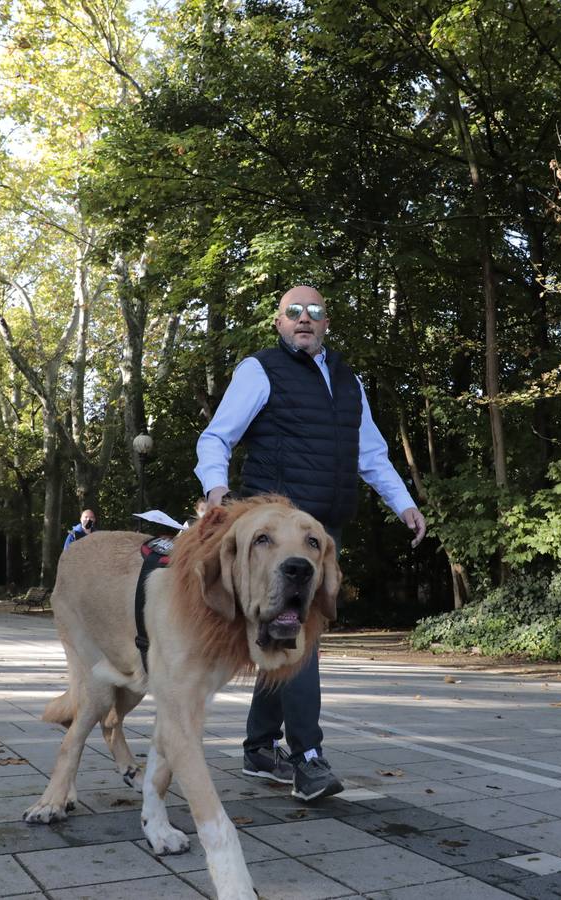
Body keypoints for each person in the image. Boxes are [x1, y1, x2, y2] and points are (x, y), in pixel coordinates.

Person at [196, 284, 426, 802]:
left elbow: (371, 454)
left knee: (289, 634)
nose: (305, 318)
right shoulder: (259, 370)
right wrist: (216, 489)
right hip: (275, 535)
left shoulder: (348, 381)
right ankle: (307, 758)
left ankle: (259, 747)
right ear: (278, 322)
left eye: (315, 311)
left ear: (326, 324)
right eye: (293, 311)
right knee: (299, 637)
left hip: (323, 533)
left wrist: (404, 504)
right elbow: (216, 437)